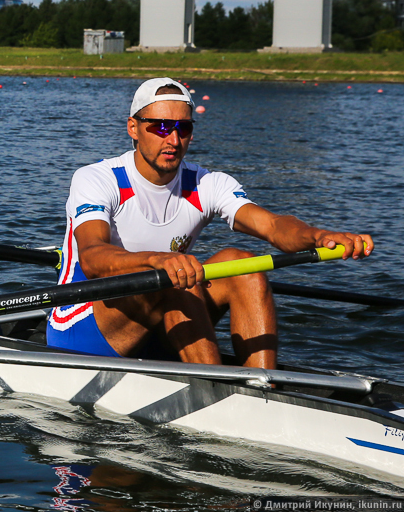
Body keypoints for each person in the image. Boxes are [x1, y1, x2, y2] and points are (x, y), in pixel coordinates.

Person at [46, 77, 372, 368]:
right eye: (159, 127)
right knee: (169, 278)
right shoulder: (97, 179)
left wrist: (318, 235)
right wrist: (156, 260)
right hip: (82, 329)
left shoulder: (207, 183)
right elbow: (92, 255)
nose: (172, 139)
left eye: (182, 128)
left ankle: (261, 387)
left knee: (243, 264)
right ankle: (216, 390)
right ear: (133, 128)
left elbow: (272, 226)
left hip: (162, 314)